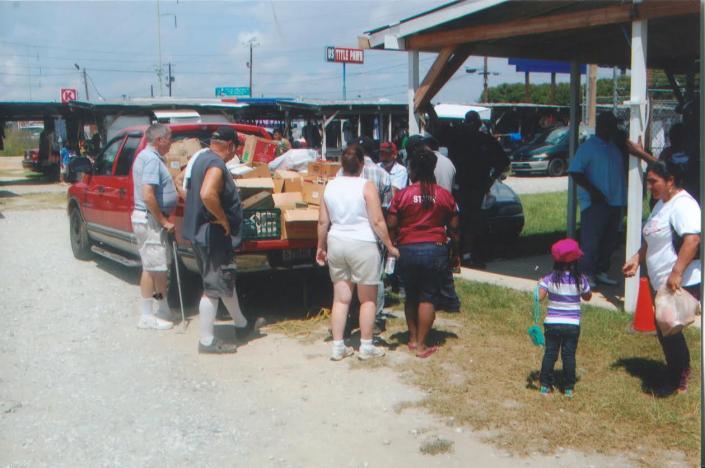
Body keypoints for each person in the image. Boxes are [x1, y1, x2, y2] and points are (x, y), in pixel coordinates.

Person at [182, 126, 265, 354]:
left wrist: (197, 212)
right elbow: (207, 193)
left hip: (201, 233)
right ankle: (207, 341)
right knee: (213, 289)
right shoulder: (217, 165)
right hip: (213, 236)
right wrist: (223, 219)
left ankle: (242, 325)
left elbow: (183, 184)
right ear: (230, 146)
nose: (234, 154)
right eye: (234, 149)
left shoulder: (200, 158)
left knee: (224, 282)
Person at [623, 160, 701, 395]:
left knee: (669, 328)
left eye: (653, 181)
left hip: (680, 280)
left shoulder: (683, 205)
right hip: (662, 281)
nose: (649, 186)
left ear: (670, 181)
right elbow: (652, 238)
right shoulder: (661, 204)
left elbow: (693, 240)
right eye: (648, 181)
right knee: (665, 330)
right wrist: (637, 258)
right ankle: (678, 370)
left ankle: (678, 378)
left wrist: (676, 272)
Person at [316, 144, 399, 361]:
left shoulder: (330, 186)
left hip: (337, 241)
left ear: (342, 165)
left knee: (341, 299)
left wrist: (320, 246)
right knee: (367, 300)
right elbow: (377, 220)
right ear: (361, 164)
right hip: (363, 243)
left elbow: (323, 221)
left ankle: (337, 345)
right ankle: (366, 345)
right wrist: (390, 245)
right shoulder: (367, 186)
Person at [387, 147, 460, 358]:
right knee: (428, 297)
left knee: (411, 295)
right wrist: (455, 253)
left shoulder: (402, 195)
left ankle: (411, 339)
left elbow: (391, 223)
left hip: (407, 249)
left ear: (413, 170)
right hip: (435, 250)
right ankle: (421, 344)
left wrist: (393, 245)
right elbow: (454, 229)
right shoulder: (445, 196)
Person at [440, 110, 509, 268]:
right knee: (462, 222)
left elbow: (503, 162)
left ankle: (465, 254)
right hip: (462, 187)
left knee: (468, 222)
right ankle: (460, 254)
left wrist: (489, 181)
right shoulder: (458, 138)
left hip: (473, 188)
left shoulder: (483, 141)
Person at [568, 112, 625, 288]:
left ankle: (600, 271)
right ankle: (586, 274)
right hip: (595, 203)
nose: (614, 129)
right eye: (611, 125)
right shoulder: (588, 147)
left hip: (615, 202)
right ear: (602, 126)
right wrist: (593, 191)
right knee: (591, 241)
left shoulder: (614, 147)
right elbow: (575, 171)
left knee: (609, 241)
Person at [131, 124, 179, 330]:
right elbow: (148, 194)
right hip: (150, 219)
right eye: (170, 138)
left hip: (152, 220)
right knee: (151, 267)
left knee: (159, 267)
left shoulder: (152, 157)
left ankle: (163, 307)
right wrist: (164, 221)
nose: (172, 142)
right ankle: (146, 316)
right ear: (160, 140)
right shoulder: (150, 159)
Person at [537, 238, 592, 397]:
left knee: (550, 353)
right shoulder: (580, 279)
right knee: (568, 355)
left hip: (552, 323)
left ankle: (545, 385)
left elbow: (539, 297)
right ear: (576, 260)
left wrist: (540, 284)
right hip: (572, 324)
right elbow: (587, 297)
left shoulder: (550, 278)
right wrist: (585, 290)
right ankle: (568, 387)